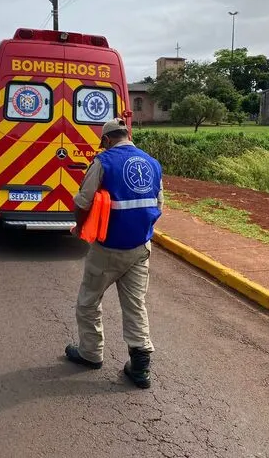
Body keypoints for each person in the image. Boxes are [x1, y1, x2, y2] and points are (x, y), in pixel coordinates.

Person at [65, 118, 164, 389]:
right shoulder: (153, 163)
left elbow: (83, 201)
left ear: (107, 140)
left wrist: (80, 228)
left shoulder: (104, 162)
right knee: (135, 305)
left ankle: (91, 353)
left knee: (88, 300)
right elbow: (158, 206)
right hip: (140, 247)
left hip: (108, 248)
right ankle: (141, 365)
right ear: (128, 135)